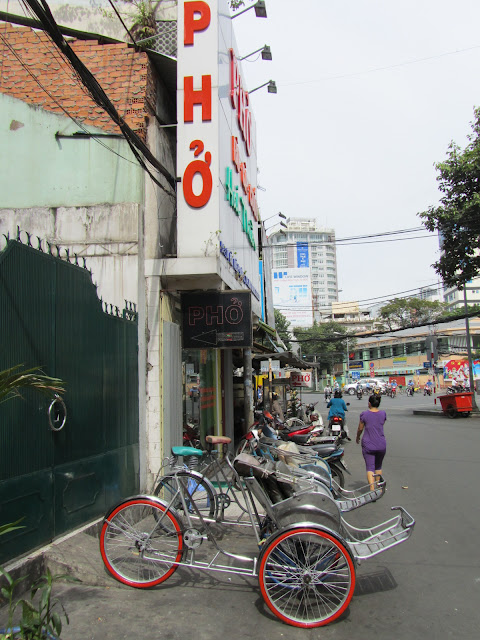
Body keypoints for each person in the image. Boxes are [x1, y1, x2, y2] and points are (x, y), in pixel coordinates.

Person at [356, 394, 387, 490]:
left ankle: (372, 489)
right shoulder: (383, 414)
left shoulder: (364, 414)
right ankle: (378, 487)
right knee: (378, 466)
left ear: (369, 403)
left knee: (370, 467)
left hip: (368, 444)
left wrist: (357, 437)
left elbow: (360, 428)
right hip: (381, 443)